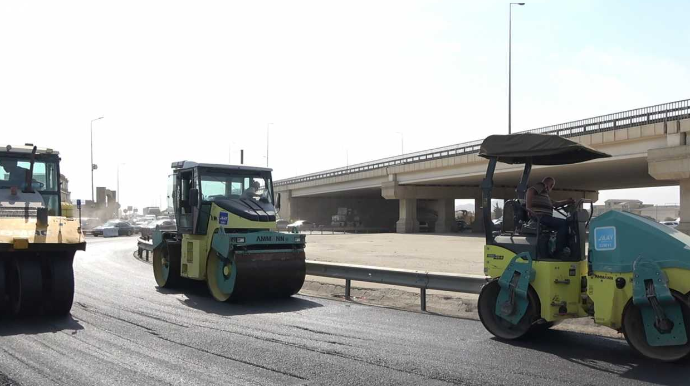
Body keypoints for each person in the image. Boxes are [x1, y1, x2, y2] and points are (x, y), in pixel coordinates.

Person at [525, 176, 574, 257]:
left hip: (544, 217)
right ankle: (559, 251)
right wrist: (528, 207)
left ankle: (555, 247)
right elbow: (530, 190)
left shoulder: (544, 195)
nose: (551, 188)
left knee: (563, 225)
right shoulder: (542, 185)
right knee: (564, 224)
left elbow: (555, 203)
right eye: (552, 186)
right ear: (550, 185)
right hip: (541, 216)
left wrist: (567, 201)